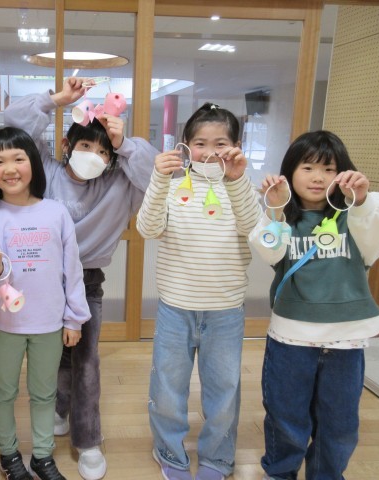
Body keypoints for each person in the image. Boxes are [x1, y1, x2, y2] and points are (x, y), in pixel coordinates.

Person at [4, 76, 159, 480]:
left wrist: (124, 144)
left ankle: (87, 440)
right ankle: (59, 408)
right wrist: (56, 99)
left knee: (86, 360)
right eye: (86, 146)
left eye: (103, 150)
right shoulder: (45, 172)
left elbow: (157, 174)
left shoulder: (119, 184)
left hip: (87, 281)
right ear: (67, 145)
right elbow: (13, 127)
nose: (93, 155)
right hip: (40, 277)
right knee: (50, 356)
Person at [247, 130, 379, 480]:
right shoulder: (282, 218)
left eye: (329, 169)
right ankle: (280, 474)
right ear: (290, 172)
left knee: (339, 425)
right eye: (308, 167)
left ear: (342, 173)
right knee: (285, 418)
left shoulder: (357, 217)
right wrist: (275, 209)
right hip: (291, 338)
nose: (318, 177)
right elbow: (269, 250)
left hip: (345, 342)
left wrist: (361, 201)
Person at [136, 102, 262, 480]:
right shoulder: (173, 188)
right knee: (168, 388)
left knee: (224, 391)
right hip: (175, 308)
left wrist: (237, 181)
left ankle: (217, 458)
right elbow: (147, 228)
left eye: (220, 143)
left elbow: (254, 229)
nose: (209, 152)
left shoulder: (241, 188)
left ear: (236, 146)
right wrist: (159, 179)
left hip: (225, 309)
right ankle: (170, 454)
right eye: (200, 143)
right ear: (186, 147)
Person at [0, 126, 91, 480]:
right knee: (3, 392)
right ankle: (9, 455)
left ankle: (42, 456)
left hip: (50, 323)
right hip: (5, 324)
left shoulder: (56, 213)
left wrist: (74, 319)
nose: (10, 169)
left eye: (18, 159)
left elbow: (72, 269)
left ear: (33, 164)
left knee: (44, 393)